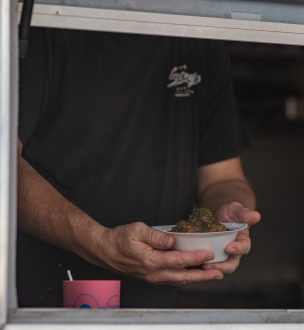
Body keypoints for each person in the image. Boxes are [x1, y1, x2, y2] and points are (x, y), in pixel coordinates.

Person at [17, 27, 261, 308]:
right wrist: (99, 242)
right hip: (40, 301)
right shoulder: (45, 24)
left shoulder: (197, 33)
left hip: (153, 309)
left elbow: (221, 178)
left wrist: (228, 218)